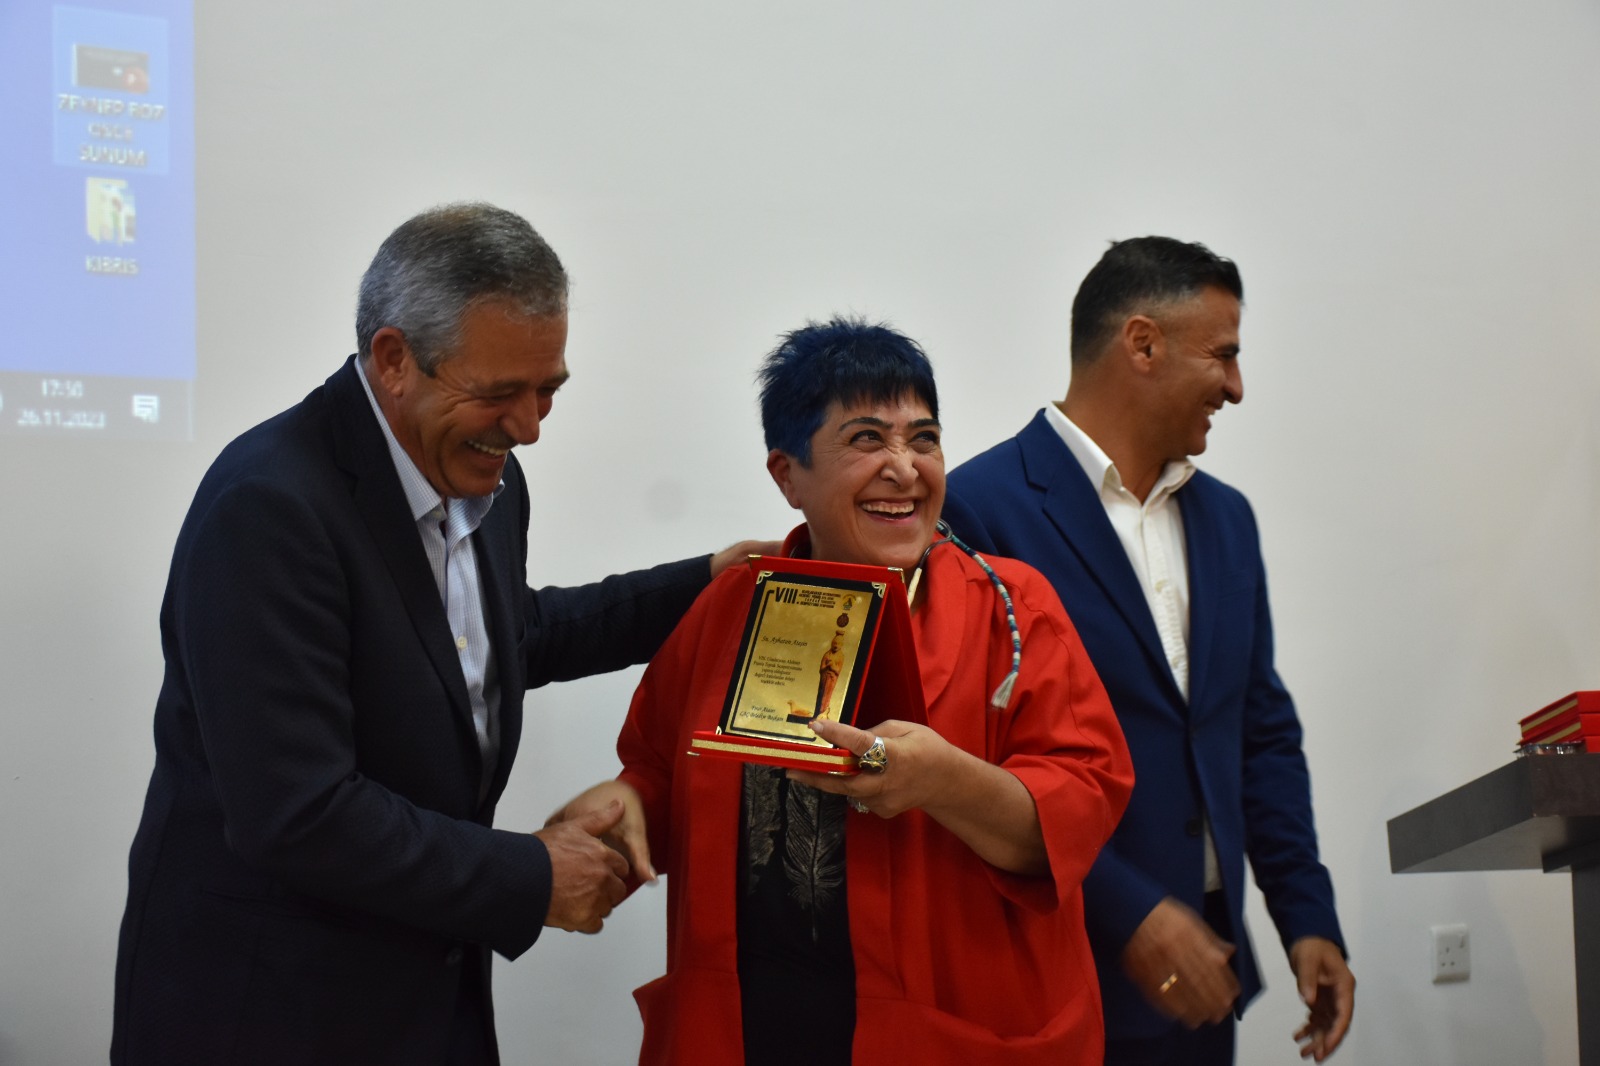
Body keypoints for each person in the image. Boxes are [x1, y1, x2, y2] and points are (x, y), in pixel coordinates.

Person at [110, 202, 770, 1066]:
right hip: (273, 1011)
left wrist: (708, 584)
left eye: (549, 391)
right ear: (393, 360)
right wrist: (532, 876)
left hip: (422, 998)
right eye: (499, 394)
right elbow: (299, 813)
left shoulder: (483, 472)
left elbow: (499, 640)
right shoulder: (269, 508)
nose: (529, 427)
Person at [550, 317, 1134, 1065]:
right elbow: (665, 774)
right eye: (867, 440)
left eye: (924, 439)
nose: (905, 469)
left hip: (942, 1037)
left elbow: (1078, 812)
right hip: (748, 1031)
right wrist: (627, 806)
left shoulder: (1014, 612)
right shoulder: (730, 607)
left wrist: (942, 781)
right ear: (787, 475)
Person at [942, 236, 1355, 1065]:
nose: (1236, 387)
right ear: (1142, 344)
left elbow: (1259, 734)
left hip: (1205, 982)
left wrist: (1306, 915)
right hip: (1051, 974)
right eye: (1223, 355)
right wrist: (1128, 911)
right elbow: (973, 765)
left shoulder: (1229, 521)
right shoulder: (977, 510)